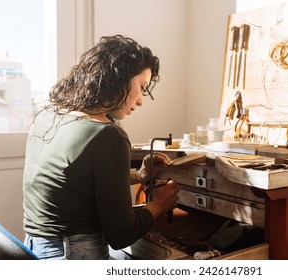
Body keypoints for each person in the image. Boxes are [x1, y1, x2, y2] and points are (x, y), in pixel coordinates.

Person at [22, 34, 179, 260]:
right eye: (142, 87)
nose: (142, 100)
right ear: (119, 79)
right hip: (74, 256)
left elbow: (78, 180)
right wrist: (158, 205)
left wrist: (141, 175)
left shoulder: (47, 118)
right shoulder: (107, 135)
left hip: (37, 249)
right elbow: (122, 235)